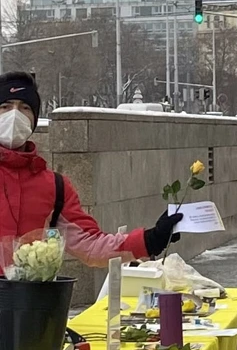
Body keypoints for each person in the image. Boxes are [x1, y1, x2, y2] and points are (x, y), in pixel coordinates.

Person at [0, 72, 181, 264]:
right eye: (5, 106)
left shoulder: (54, 186)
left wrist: (151, 239)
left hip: (31, 294)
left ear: (34, 118)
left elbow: (91, 245)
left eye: (24, 107)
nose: (15, 114)